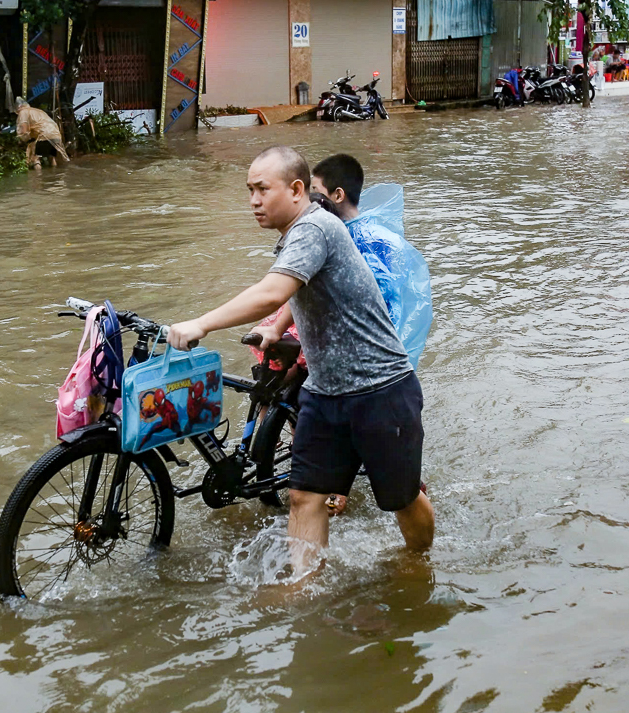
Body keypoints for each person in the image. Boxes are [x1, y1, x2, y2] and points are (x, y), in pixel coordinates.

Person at [168, 146, 435, 571]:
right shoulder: (305, 230)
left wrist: (201, 323)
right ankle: (303, 586)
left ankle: (419, 567)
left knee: (402, 500)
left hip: (379, 388)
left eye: (262, 189)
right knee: (304, 496)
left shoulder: (312, 228)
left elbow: (274, 291)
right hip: (325, 391)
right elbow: (302, 286)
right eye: (249, 191)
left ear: (296, 190)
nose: (253, 201)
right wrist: (276, 328)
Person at [15, 97, 68, 170]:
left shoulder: (23, 112)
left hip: (43, 135)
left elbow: (23, 130)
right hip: (55, 133)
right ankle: (56, 176)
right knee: (51, 157)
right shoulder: (38, 111)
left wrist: (25, 140)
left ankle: (38, 178)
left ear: (19, 107)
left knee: (36, 159)